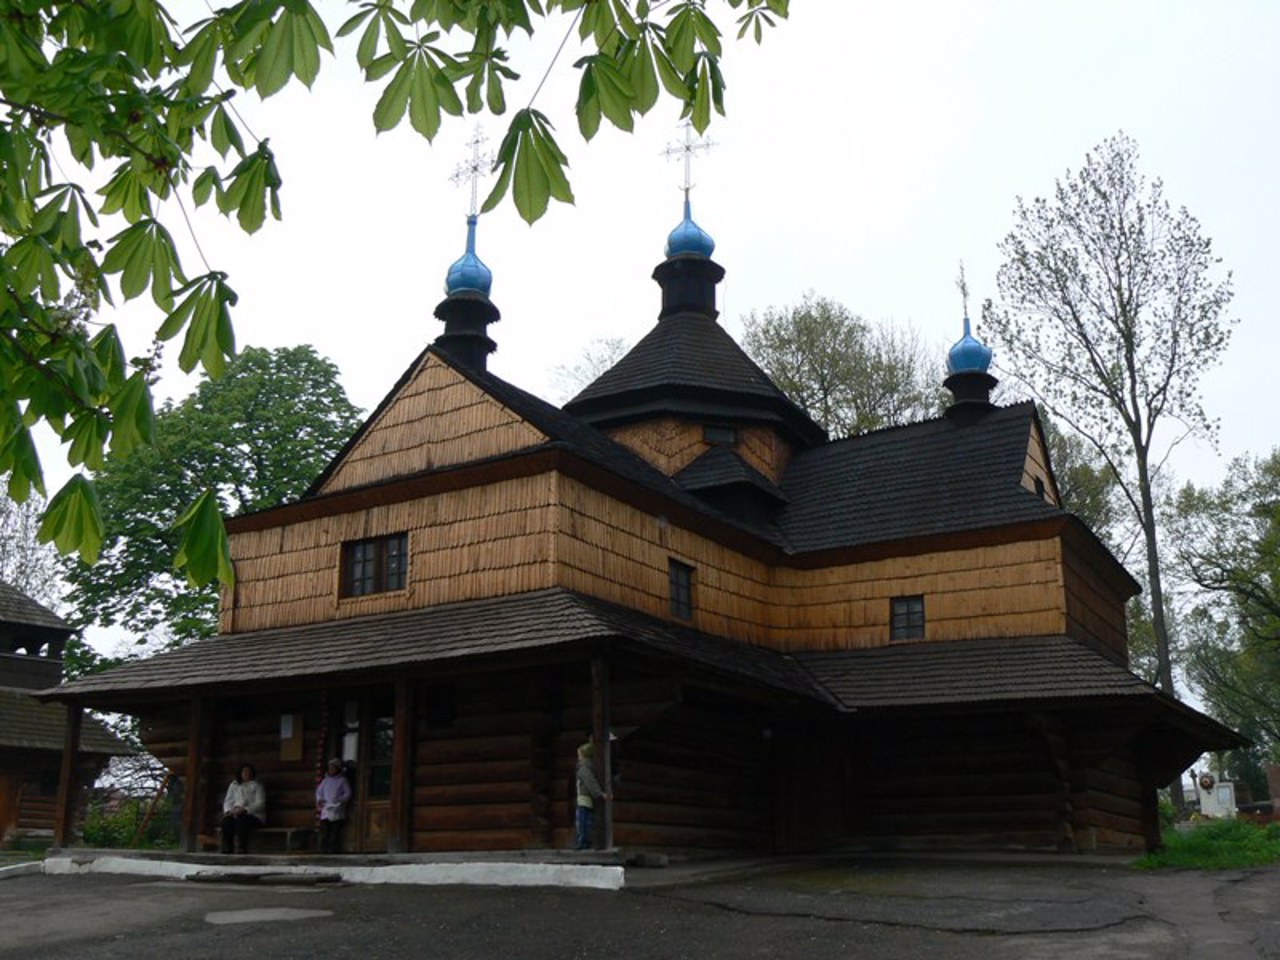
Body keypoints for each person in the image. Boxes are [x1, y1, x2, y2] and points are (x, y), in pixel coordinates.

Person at [221, 763, 265, 854]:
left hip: (254, 815)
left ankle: (241, 848)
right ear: (240, 773)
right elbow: (228, 801)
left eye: (249, 772)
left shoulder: (257, 786)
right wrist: (229, 811)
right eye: (244, 772)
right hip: (236, 813)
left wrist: (245, 809)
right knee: (227, 821)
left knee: (242, 820)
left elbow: (260, 804)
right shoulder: (234, 785)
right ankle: (228, 848)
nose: (246, 774)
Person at [574, 741, 610, 851]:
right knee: (586, 821)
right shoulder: (589, 767)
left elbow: (590, 782)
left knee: (582, 821)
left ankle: (583, 842)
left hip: (583, 799)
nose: (578, 758)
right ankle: (585, 841)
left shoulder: (583, 768)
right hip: (585, 798)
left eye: (580, 755)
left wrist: (599, 793)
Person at [315, 758, 353, 854]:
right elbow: (319, 792)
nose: (331, 770)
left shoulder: (342, 780)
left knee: (335, 830)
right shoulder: (325, 781)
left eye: (333, 768)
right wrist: (320, 800)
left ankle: (333, 849)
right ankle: (324, 849)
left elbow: (348, 793)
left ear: (337, 769)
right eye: (330, 768)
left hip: (337, 808)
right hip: (326, 807)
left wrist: (340, 800)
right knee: (325, 830)